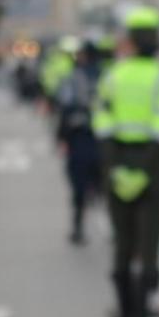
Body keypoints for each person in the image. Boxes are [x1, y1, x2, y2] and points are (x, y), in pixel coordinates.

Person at [93, 6, 159, 317]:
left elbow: (101, 125)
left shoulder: (112, 75)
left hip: (116, 164)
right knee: (149, 249)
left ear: (129, 40)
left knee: (122, 246)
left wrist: (115, 168)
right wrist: (143, 170)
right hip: (153, 169)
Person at [55, 40, 102, 245]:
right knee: (101, 186)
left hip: (81, 138)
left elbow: (65, 109)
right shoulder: (107, 77)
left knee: (79, 186)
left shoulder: (73, 78)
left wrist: (62, 138)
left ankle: (77, 228)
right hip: (101, 140)